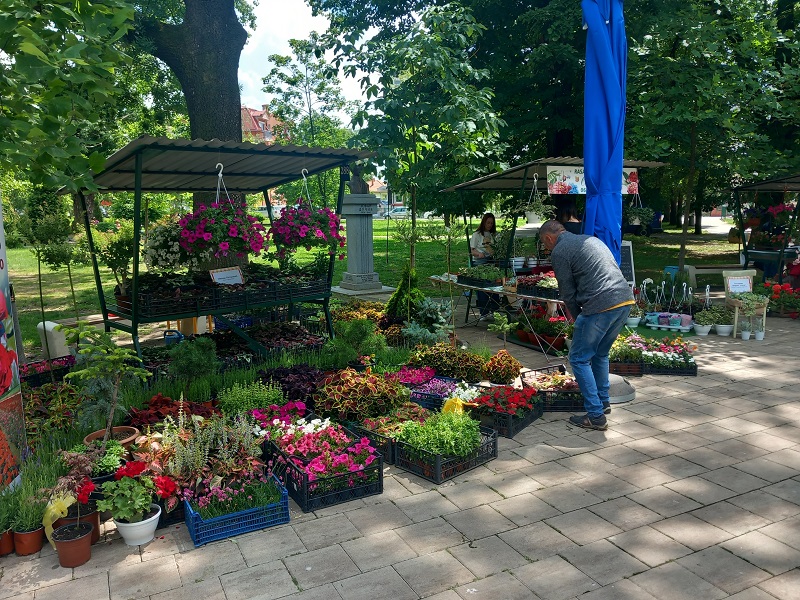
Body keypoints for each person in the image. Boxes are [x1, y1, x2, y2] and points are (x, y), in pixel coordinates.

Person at [539, 220, 634, 430]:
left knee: (578, 359)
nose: (547, 249)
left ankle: (595, 415)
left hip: (601, 305)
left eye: (545, 245)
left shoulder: (560, 251)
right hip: (625, 300)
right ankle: (603, 402)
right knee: (600, 354)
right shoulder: (589, 239)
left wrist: (575, 317)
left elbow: (567, 292)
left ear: (548, 238)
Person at [469, 213, 499, 319]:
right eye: (488, 223)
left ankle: (495, 309)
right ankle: (484, 312)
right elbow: (472, 250)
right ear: (484, 222)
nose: (490, 225)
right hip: (479, 262)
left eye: (491, 223)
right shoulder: (476, 234)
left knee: (495, 284)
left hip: (490, 261)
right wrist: (479, 254)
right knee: (482, 285)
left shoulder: (492, 235)